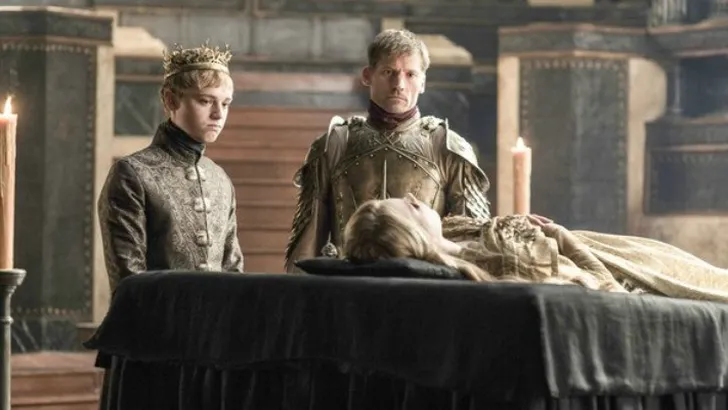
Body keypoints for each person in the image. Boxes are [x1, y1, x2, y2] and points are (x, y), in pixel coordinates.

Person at [285, 29, 491, 272]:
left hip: (425, 285)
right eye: (388, 72)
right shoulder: (334, 144)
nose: (399, 85)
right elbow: (306, 242)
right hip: (347, 284)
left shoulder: (448, 147)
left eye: (410, 74)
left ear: (423, 82)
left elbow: (471, 244)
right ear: (367, 76)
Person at [342, 194, 728, 303]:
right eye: (409, 206)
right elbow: (606, 288)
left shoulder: (456, 232)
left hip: (614, 249)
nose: (414, 196)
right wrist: (560, 235)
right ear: (414, 235)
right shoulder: (500, 256)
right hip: (624, 267)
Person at [98, 44, 244, 292]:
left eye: (226, 103)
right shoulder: (132, 174)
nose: (218, 114)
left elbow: (234, 274)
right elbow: (130, 282)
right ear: (170, 99)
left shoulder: (220, 179)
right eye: (205, 101)